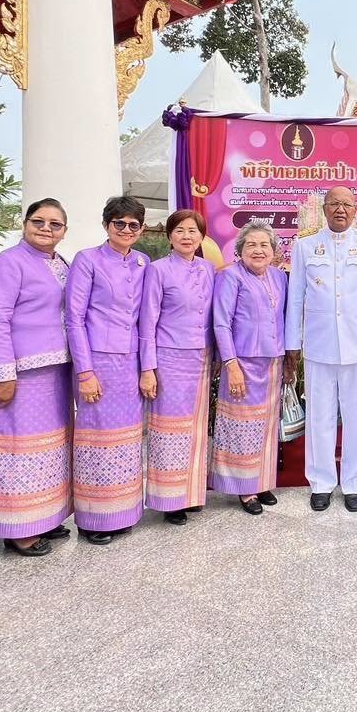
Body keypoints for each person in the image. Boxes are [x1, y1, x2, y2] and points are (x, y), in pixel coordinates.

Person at [0, 198, 73, 557]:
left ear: (65, 230)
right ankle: (19, 529)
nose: (46, 229)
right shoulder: (7, 263)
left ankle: (44, 517)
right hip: (22, 372)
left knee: (50, 448)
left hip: (56, 370)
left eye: (55, 224)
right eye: (38, 221)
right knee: (19, 450)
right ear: (24, 223)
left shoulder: (62, 263)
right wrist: (4, 373)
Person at [285, 185, 357, 513]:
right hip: (318, 347)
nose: (340, 210)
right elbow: (296, 298)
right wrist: (292, 344)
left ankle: (354, 483)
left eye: (346, 204)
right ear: (324, 208)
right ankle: (320, 482)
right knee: (320, 417)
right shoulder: (305, 246)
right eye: (334, 204)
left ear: (355, 208)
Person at [66, 197, 149, 544]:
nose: (126, 230)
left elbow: (147, 318)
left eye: (133, 225)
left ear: (141, 230)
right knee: (97, 439)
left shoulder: (144, 263)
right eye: (119, 223)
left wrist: (147, 367)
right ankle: (93, 518)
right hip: (97, 361)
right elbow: (74, 317)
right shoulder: (88, 260)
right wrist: (85, 372)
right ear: (106, 225)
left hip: (130, 363)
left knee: (127, 439)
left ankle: (123, 510)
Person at [140, 210, 217, 525]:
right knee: (169, 430)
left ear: (201, 237)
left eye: (193, 231)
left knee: (196, 430)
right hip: (169, 358)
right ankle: (170, 499)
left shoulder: (209, 269)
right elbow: (147, 320)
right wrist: (148, 367)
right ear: (169, 235)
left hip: (202, 359)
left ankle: (192, 494)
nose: (187, 236)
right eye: (180, 230)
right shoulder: (157, 271)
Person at [211, 221, 290, 514]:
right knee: (242, 426)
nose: (258, 250)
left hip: (272, 363)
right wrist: (230, 364)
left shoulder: (279, 277)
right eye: (251, 245)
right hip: (242, 362)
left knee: (266, 426)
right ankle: (245, 489)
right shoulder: (230, 277)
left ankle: (261, 481)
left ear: (273, 250)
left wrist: (289, 359)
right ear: (240, 250)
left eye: (264, 245)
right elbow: (221, 322)